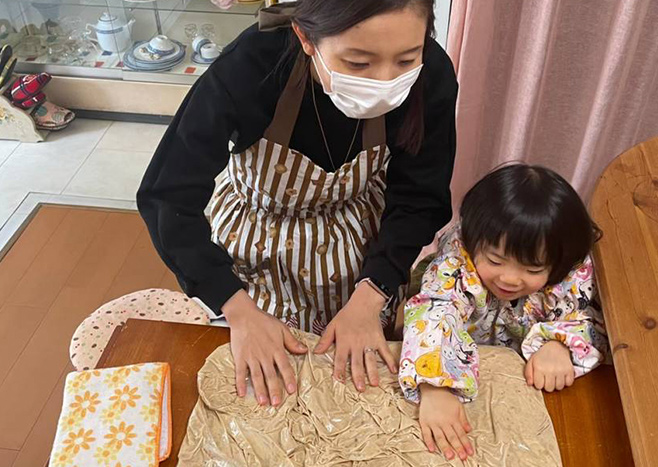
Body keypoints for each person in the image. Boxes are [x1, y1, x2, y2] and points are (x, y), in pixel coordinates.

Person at [137, 0, 458, 408]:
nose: (385, 81)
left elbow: (420, 196)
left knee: (352, 391)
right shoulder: (252, 65)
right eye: (359, 63)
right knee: (259, 393)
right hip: (256, 243)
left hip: (358, 250)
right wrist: (238, 310)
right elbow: (168, 195)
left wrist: (370, 295)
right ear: (306, 38)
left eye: (406, 59)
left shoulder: (433, 75)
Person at [398, 164, 609, 461]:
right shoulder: (458, 260)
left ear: (559, 264)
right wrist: (435, 387)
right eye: (495, 261)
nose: (509, 279)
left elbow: (597, 320)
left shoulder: (570, 271)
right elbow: (434, 308)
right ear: (473, 242)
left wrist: (561, 344)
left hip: (523, 388)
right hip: (466, 369)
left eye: (533, 269)